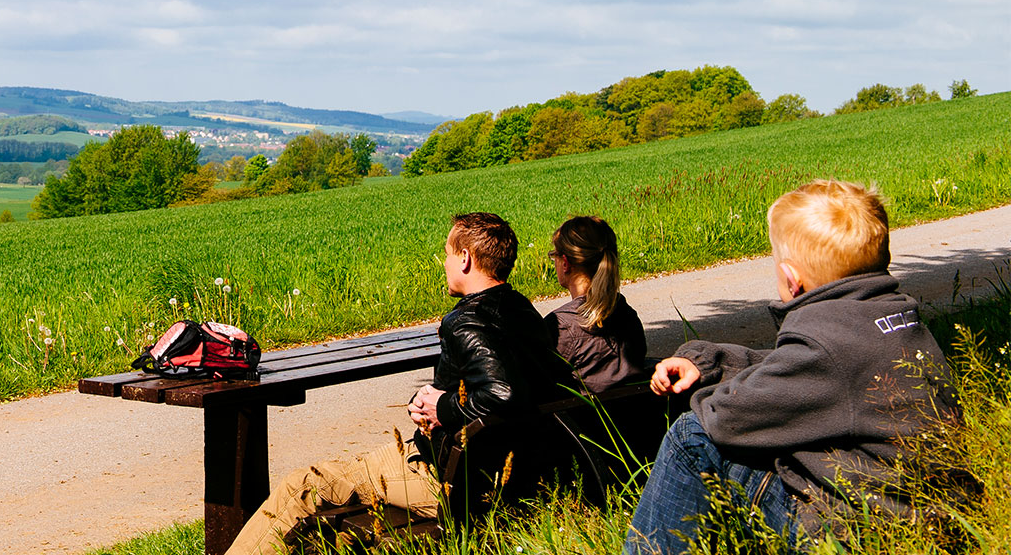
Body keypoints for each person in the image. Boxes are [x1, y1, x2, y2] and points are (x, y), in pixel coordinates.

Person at [625, 180, 958, 554]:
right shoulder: (891, 317)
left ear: (791, 279)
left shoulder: (821, 344)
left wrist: (707, 394)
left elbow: (726, 418)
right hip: (921, 517)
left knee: (692, 435)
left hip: (856, 532)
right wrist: (709, 362)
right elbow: (798, 369)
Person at [225, 213, 579, 555]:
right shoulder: (524, 311)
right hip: (515, 470)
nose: (444, 263)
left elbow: (503, 393)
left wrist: (440, 408)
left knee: (301, 486)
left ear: (466, 259)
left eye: (448, 254)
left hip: (451, 481)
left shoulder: (466, 321)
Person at [546, 215, 647, 394]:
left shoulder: (560, 327)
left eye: (554, 256)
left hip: (583, 421)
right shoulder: (628, 316)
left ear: (566, 264)